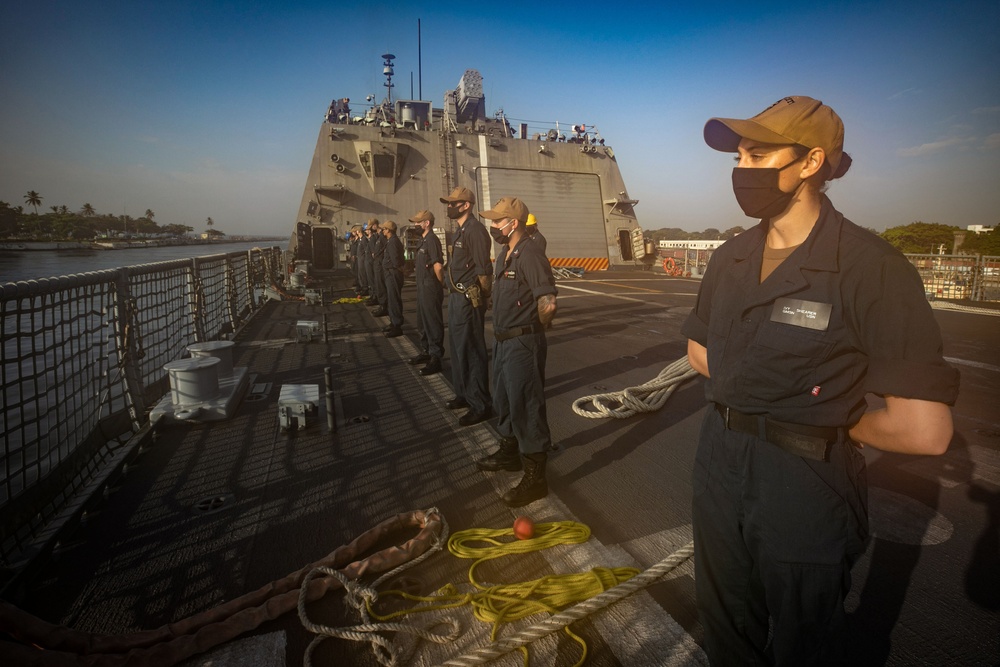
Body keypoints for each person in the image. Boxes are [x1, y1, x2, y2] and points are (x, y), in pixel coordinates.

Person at [681, 96, 960, 665]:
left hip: (804, 481)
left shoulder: (870, 266)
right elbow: (698, 352)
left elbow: (924, 431)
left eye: (758, 154)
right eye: (738, 155)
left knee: (805, 645)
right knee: (725, 626)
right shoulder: (729, 256)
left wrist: (835, 421)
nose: (742, 168)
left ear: (810, 163)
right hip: (719, 462)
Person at [476, 196, 557, 507]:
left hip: (523, 342)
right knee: (505, 400)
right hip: (503, 341)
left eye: (498, 220)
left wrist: (536, 330)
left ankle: (536, 479)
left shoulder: (530, 254)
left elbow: (548, 301)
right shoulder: (504, 255)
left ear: (514, 223)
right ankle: (510, 455)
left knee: (526, 405)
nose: (493, 225)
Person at [440, 186, 493, 427]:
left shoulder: (475, 230)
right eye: (449, 203)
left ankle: (480, 404)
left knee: (471, 350)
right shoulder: (461, 230)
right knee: (458, 348)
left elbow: (483, 270)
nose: (449, 207)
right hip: (456, 298)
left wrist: (481, 299)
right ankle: (463, 393)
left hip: (468, 300)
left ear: (466, 205)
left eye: (453, 203)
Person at [408, 209, 445, 375]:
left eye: (418, 222)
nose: (415, 225)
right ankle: (426, 351)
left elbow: (438, 266)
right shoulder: (422, 241)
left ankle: (436, 357)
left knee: (432, 322)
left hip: (430, 287)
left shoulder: (432, 240)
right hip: (422, 286)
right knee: (422, 321)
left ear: (426, 223)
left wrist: (440, 284)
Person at [381, 220, 405, 337]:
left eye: (384, 229)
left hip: (392, 273)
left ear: (389, 230)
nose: (382, 231)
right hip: (390, 273)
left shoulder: (393, 242)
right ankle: (393, 322)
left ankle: (397, 326)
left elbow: (395, 261)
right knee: (391, 299)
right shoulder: (391, 241)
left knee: (394, 299)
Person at [368, 218, 388, 316]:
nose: (371, 229)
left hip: (380, 265)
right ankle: (382, 305)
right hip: (377, 264)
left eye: (372, 226)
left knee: (381, 286)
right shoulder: (378, 237)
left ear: (375, 225)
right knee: (378, 285)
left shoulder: (382, 237)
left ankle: (384, 306)